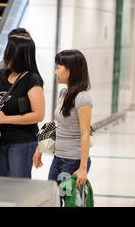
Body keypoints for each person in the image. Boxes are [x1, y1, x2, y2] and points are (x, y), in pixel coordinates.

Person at [0, 34, 45, 178]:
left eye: (8, 49)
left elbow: (38, 115)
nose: (4, 52)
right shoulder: (0, 75)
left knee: (17, 190)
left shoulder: (32, 79)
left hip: (21, 142)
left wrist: (6, 119)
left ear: (17, 54)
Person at [33, 49, 92, 190]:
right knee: (53, 199)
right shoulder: (64, 93)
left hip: (73, 161)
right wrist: (40, 147)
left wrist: (82, 168)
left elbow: (85, 133)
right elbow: (55, 123)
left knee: (67, 200)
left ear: (70, 70)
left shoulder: (82, 98)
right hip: (58, 158)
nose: (55, 71)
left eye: (58, 67)